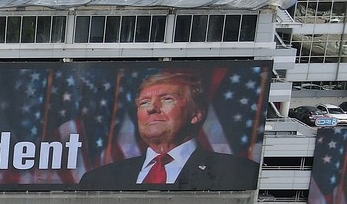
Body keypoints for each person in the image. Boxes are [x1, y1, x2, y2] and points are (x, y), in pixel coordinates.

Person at [78, 70, 259, 191]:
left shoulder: (239, 173)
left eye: (167, 99)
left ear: (195, 114)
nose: (152, 108)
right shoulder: (97, 180)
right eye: (144, 102)